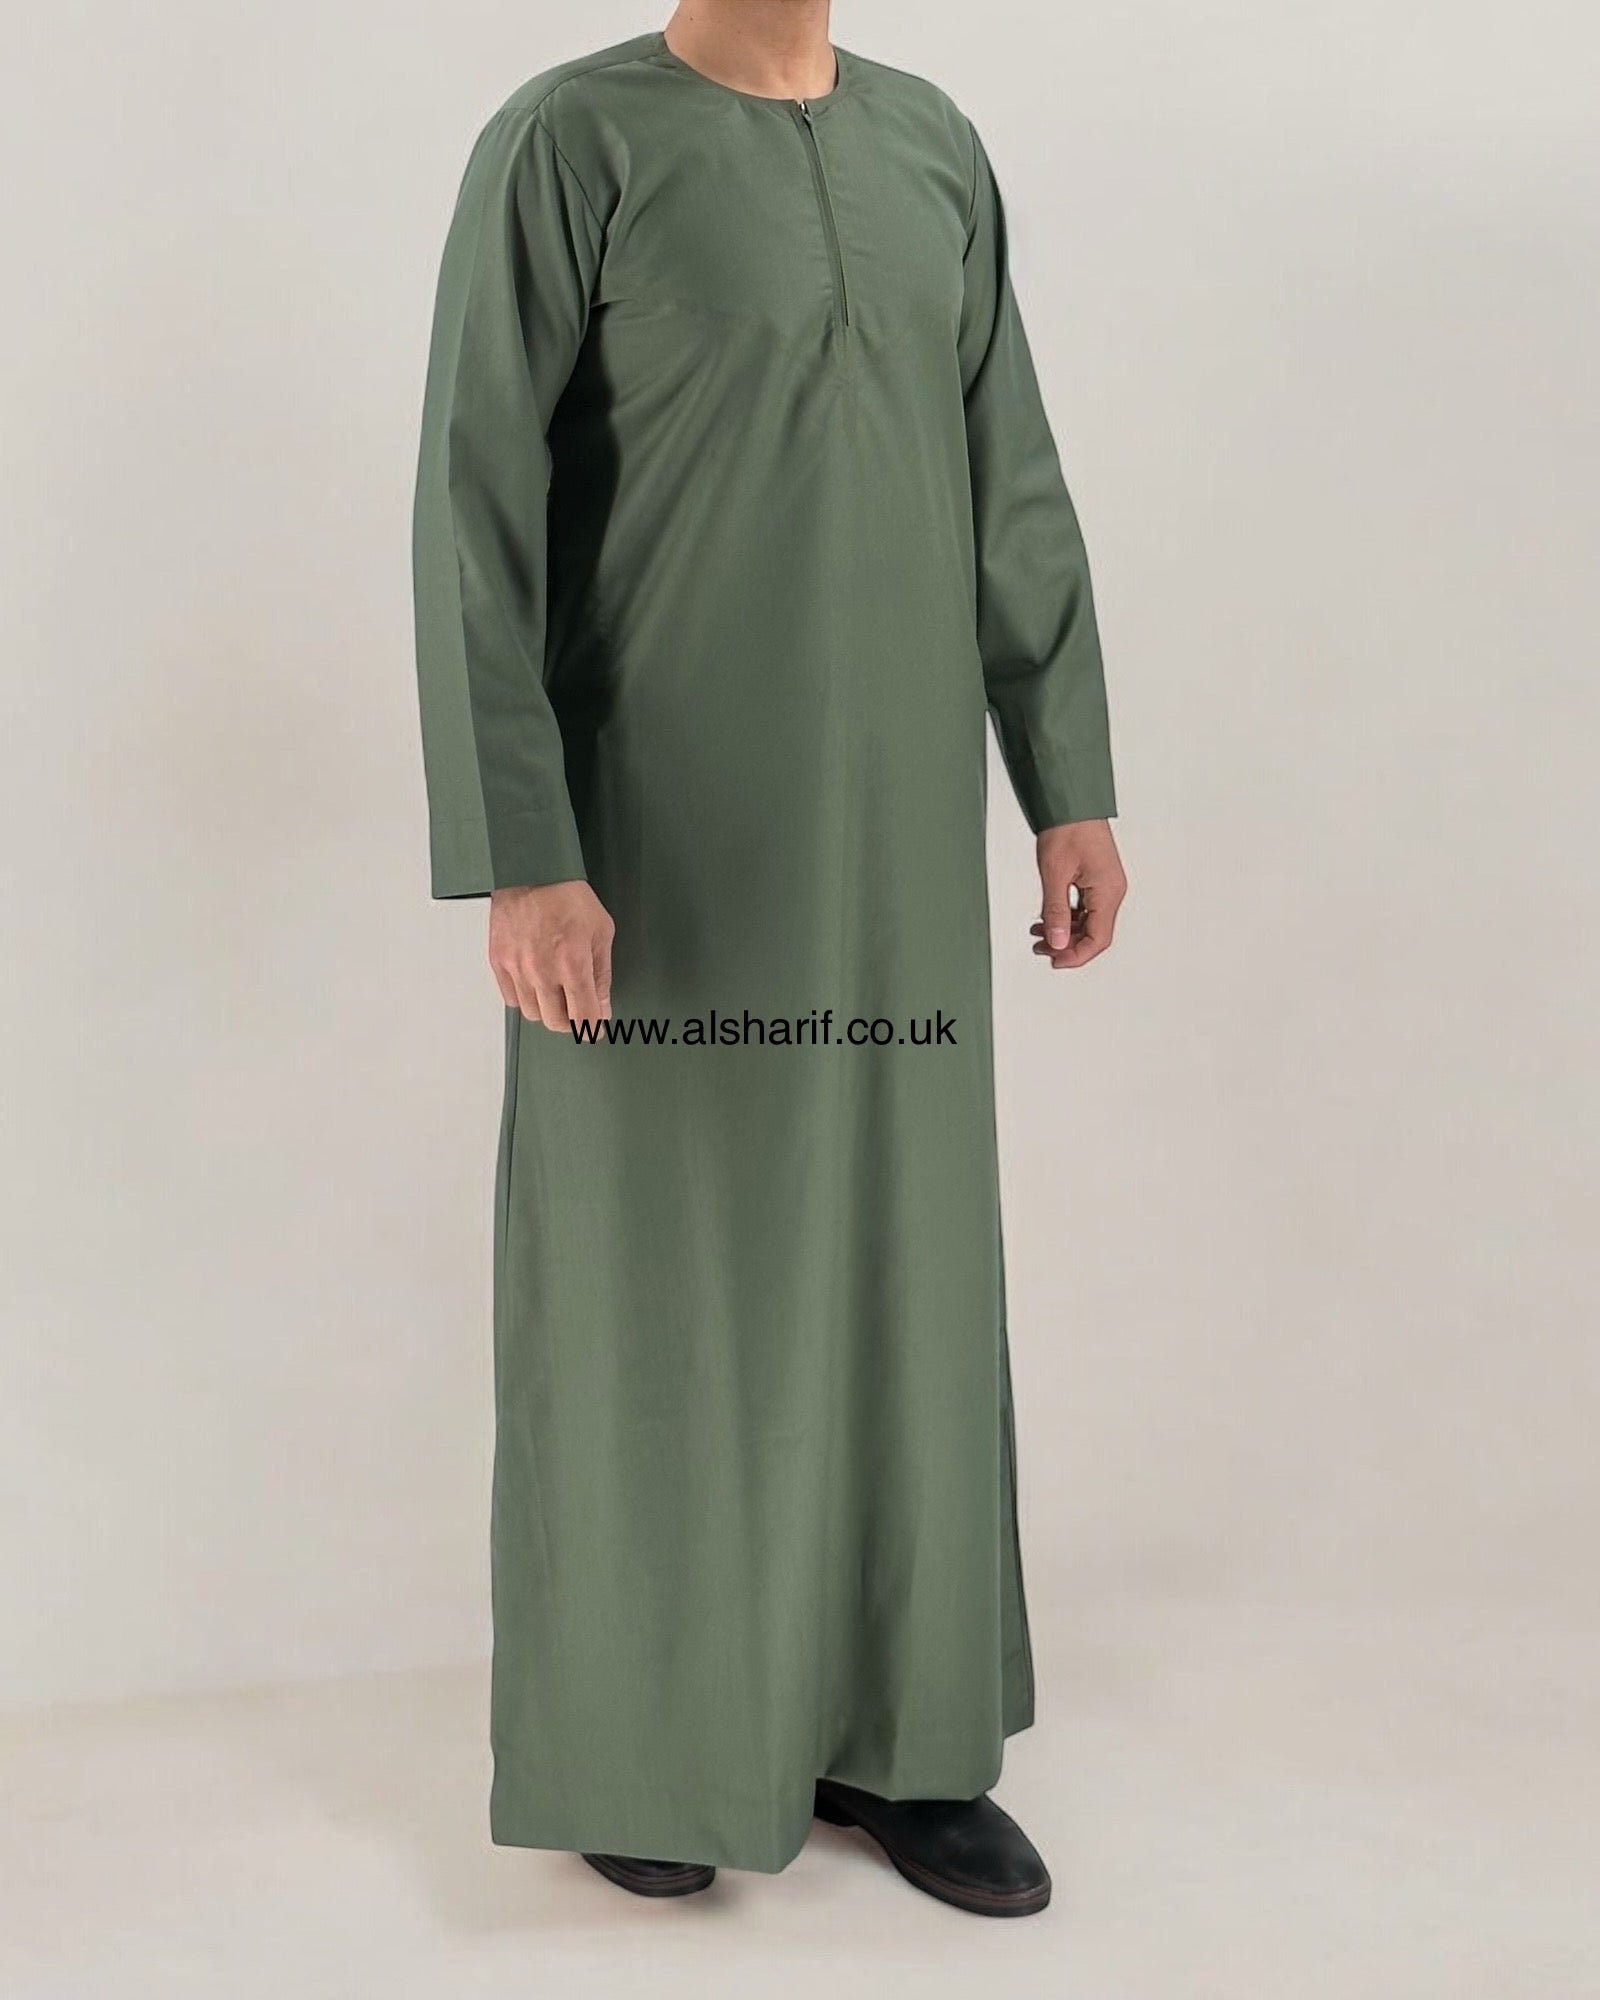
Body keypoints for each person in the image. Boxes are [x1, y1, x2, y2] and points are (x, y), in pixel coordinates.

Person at [411, 0, 1126, 1917]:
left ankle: (902, 1738)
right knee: (661, 1282)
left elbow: (1012, 476)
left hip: (898, 835)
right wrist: (524, 850)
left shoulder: (932, 147)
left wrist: (1065, 780)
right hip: (660, 838)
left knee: (903, 1263)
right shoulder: (573, 142)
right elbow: (474, 506)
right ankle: (646, 1739)